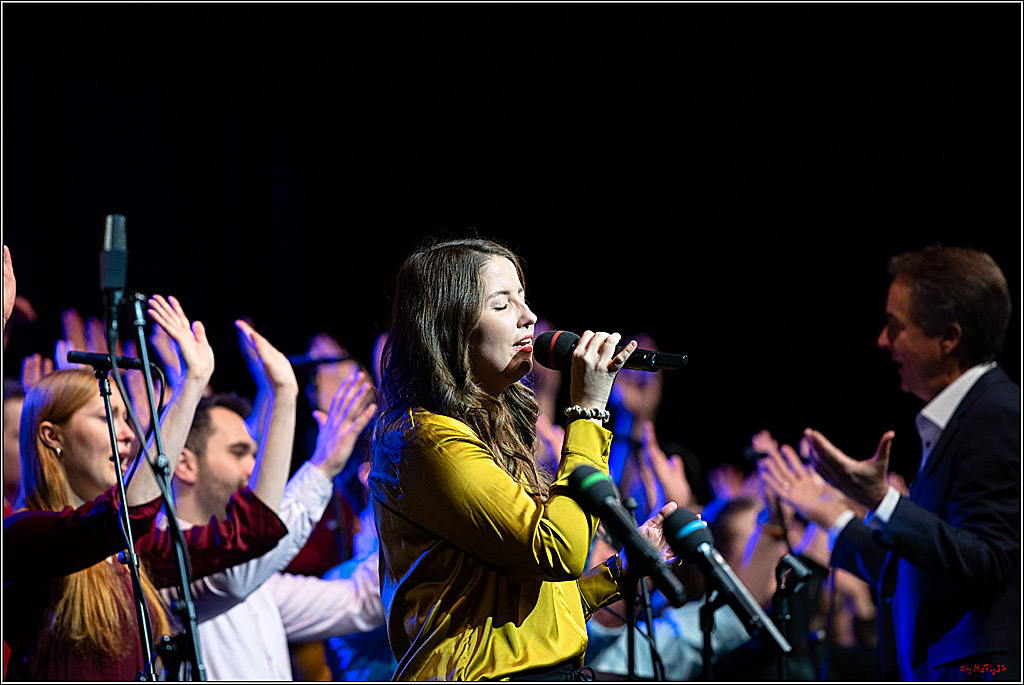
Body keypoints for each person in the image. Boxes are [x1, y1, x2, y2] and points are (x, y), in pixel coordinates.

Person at [369, 237, 680, 681]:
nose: (528, 316)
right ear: (449, 327)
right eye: (502, 304)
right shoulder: (427, 441)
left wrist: (620, 571)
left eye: (523, 297)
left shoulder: (489, 429)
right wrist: (588, 412)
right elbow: (558, 551)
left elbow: (531, 607)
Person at [762, 245, 1019, 681]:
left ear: (949, 338)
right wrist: (834, 517)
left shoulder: (995, 415)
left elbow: (989, 562)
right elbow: (925, 569)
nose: (883, 340)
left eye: (896, 326)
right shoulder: (964, 418)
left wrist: (883, 501)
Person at [3, 295, 215, 680]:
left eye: (126, 417)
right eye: (107, 417)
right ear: (52, 436)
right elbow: (123, 515)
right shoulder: (23, 535)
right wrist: (190, 388)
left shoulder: (133, 551)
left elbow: (238, 542)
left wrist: (286, 395)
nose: (129, 434)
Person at [159, 321, 383, 680]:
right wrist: (319, 464)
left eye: (253, 452)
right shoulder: (165, 560)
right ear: (183, 463)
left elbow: (363, 601)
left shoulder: (263, 585)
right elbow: (239, 570)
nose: (254, 468)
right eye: (238, 452)